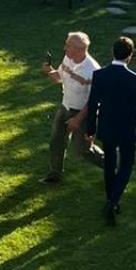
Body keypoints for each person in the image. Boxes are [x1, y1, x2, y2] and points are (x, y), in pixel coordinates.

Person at [83, 35, 136, 223]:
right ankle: (112, 201)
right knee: (126, 165)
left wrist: (90, 129)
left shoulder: (100, 75)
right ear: (130, 56)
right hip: (128, 129)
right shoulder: (135, 80)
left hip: (108, 125)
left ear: (113, 52)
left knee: (110, 164)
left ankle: (110, 199)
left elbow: (93, 103)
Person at [40, 31, 98, 182]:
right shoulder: (68, 58)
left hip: (81, 113)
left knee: (84, 150)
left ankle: (113, 166)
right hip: (65, 107)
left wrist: (77, 119)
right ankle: (54, 174)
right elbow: (59, 77)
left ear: (79, 49)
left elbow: (94, 101)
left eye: (68, 46)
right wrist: (49, 71)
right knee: (56, 141)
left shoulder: (93, 71)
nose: (64, 48)